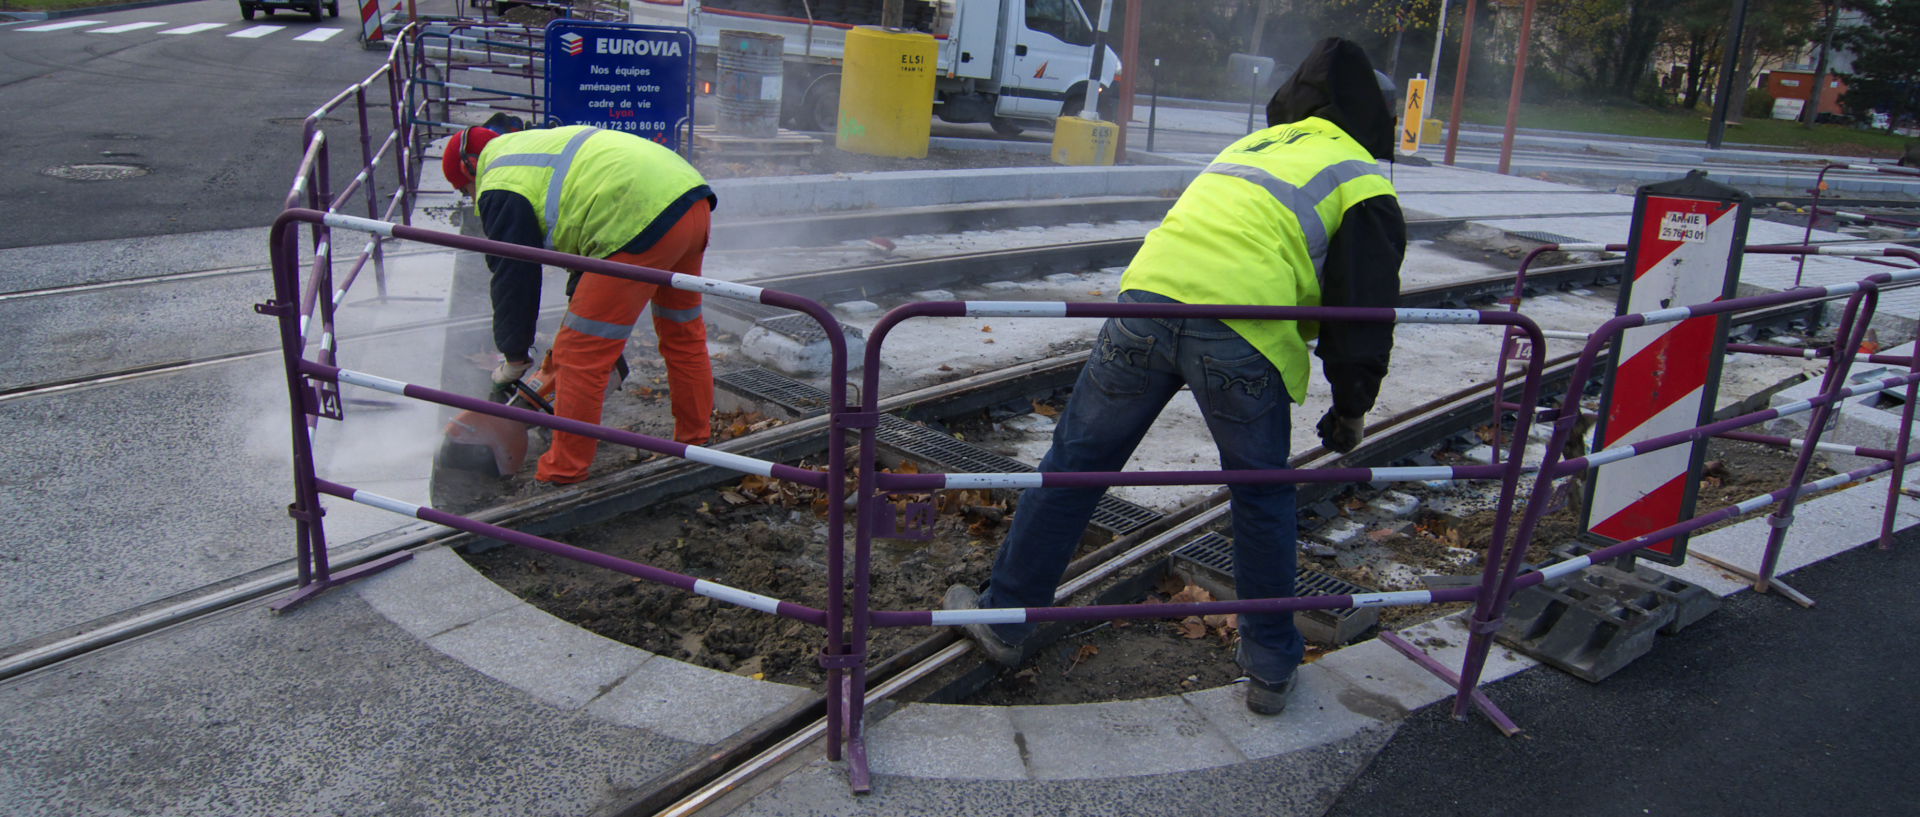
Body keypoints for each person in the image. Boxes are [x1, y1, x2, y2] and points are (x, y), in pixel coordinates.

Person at [945, 37, 1405, 716]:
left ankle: (1005, 616)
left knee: (1074, 465)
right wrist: (1352, 407)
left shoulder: (1249, 148)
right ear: (1372, 115)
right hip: (1243, 330)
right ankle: (1272, 664)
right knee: (1260, 497)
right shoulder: (1360, 175)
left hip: (1147, 304)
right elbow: (1360, 311)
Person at [442, 123, 719, 485]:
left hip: (636, 217)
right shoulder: (532, 151)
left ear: (470, 167)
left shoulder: (499, 182)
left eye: (466, 190)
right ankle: (694, 441)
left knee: (579, 355)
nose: (473, 198)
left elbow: (514, 276)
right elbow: (584, 238)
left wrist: (513, 356)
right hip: (689, 201)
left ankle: (563, 471)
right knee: (682, 332)